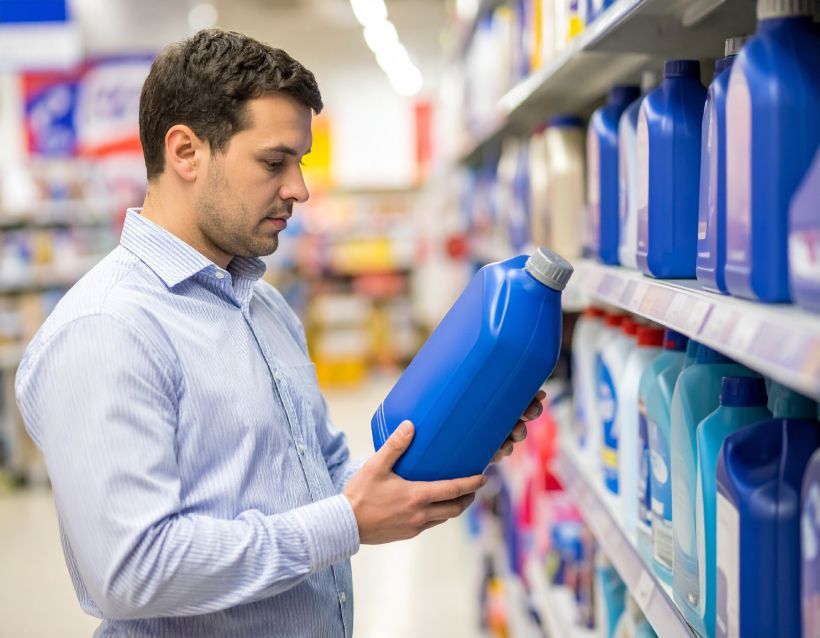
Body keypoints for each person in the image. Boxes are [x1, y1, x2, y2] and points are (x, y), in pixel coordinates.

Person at [14, 29, 543, 637]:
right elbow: (131, 570)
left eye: (300, 161)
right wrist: (346, 523)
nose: (299, 188)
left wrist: (459, 437)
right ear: (185, 152)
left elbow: (318, 479)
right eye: (274, 162)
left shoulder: (262, 305)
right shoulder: (106, 330)